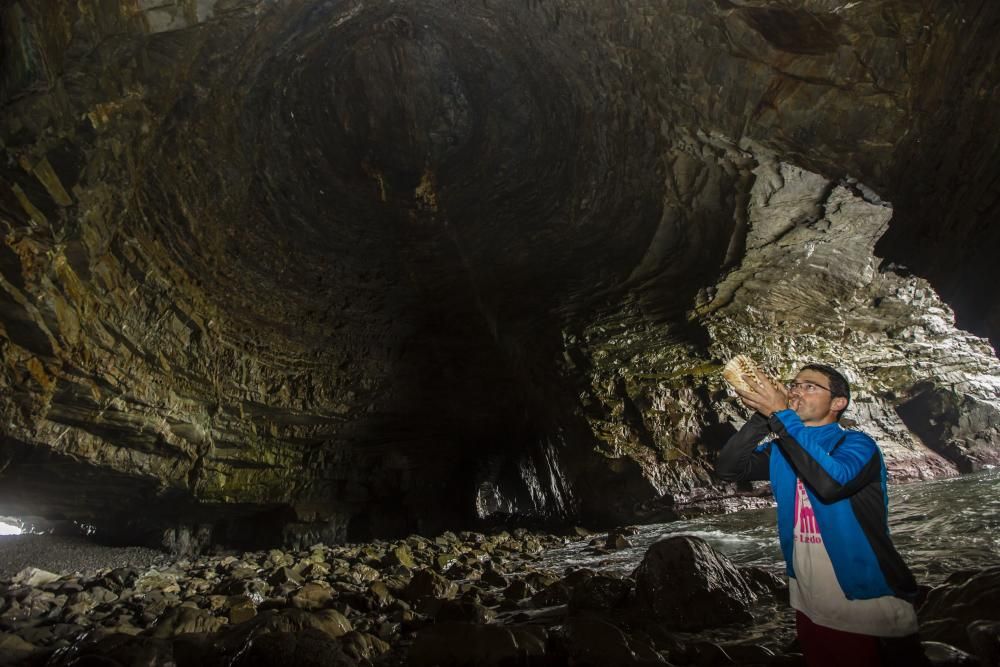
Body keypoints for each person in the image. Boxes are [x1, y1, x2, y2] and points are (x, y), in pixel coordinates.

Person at [715, 363, 928, 667]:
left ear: (838, 403)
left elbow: (830, 484)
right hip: (808, 599)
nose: (796, 390)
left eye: (810, 386)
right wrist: (765, 417)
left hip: (867, 601)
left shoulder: (856, 444)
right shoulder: (782, 448)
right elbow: (728, 469)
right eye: (794, 384)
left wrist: (783, 416)